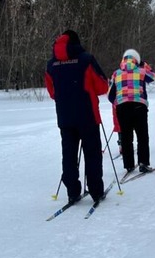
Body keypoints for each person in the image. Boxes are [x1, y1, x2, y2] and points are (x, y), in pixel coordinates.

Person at [45, 30, 110, 203]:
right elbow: (103, 86)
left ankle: (72, 191)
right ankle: (96, 191)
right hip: (87, 115)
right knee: (92, 153)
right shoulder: (86, 60)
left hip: (65, 117)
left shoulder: (51, 65)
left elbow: (52, 92)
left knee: (68, 154)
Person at [108, 49, 155, 173]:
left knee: (126, 137)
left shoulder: (116, 73)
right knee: (142, 135)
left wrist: (117, 103)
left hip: (122, 108)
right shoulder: (142, 71)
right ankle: (143, 163)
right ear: (137, 61)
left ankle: (128, 165)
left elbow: (110, 94)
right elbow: (153, 77)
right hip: (139, 106)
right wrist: (146, 66)